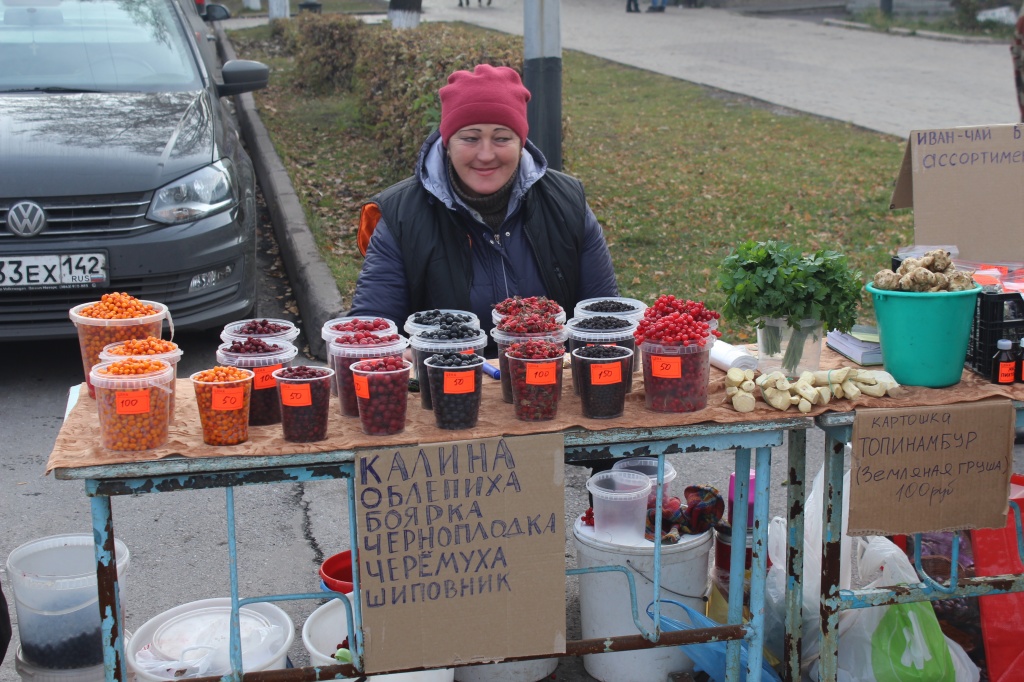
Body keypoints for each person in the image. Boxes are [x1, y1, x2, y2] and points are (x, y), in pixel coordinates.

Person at [350, 64, 619, 355]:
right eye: (470, 138)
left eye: (502, 138)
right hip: (445, 391)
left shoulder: (567, 203)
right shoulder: (401, 215)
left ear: (521, 143)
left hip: (549, 388)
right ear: (447, 143)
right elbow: (372, 329)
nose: (486, 154)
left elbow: (604, 317)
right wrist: (395, 356)